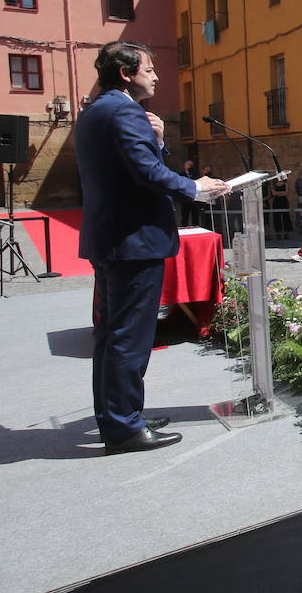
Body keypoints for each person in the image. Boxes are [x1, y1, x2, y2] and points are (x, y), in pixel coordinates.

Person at [76, 41, 228, 455]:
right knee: (129, 337)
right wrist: (194, 187)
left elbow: (130, 166)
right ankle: (124, 427)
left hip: (112, 237)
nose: (157, 75)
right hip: (132, 240)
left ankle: (120, 415)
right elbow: (144, 173)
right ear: (125, 73)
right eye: (149, 68)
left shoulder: (96, 110)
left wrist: (156, 140)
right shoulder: (123, 110)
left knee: (112, 336)